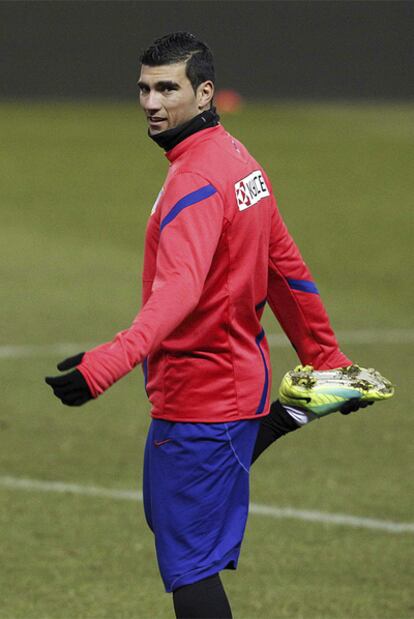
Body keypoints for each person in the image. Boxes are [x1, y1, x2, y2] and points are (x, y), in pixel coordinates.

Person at [45, 32, 369, 619]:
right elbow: (285, 268)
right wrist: (325, 359)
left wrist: (106, 365)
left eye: (168, 88)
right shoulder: (237, 159)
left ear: (205, 93)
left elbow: (178, 292)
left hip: (199, 398)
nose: (151, 101)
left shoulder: (193, 180)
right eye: (143, 87)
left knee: (190, 570)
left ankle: (291, 413)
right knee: (174, 517)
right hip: (234, 385)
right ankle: (294, 410)